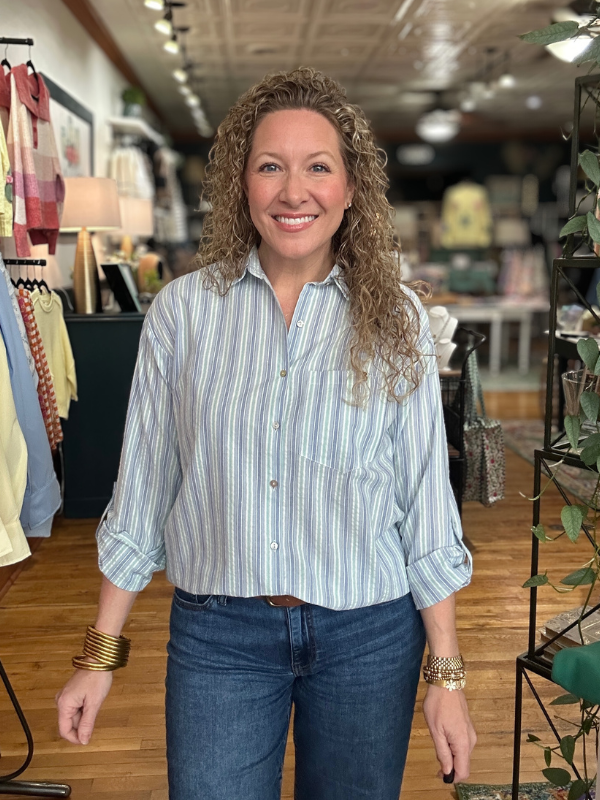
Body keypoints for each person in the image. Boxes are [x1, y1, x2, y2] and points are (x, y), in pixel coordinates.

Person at [56, 67, 476, 800]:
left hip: (369, 636)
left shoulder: (397, 319)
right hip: (219, 638)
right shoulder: (183, 316)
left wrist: (447, 673)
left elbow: (426, 504)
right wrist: (99, 654)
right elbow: (144, 489)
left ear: (350, 190)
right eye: (270, 166)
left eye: (318, 167)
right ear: (240, 185)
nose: (293, 191)